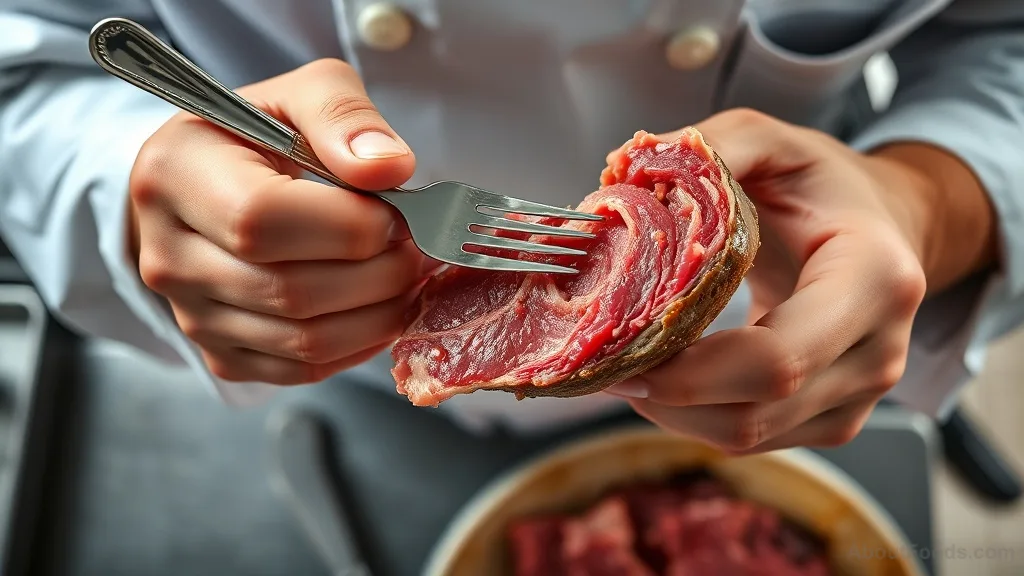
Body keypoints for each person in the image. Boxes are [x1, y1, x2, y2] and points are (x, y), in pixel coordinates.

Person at [1, 0, 1021, 452]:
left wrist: (926, 202)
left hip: (788, 330)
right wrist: (131, 178)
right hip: (324, 359)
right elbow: (22, 65)